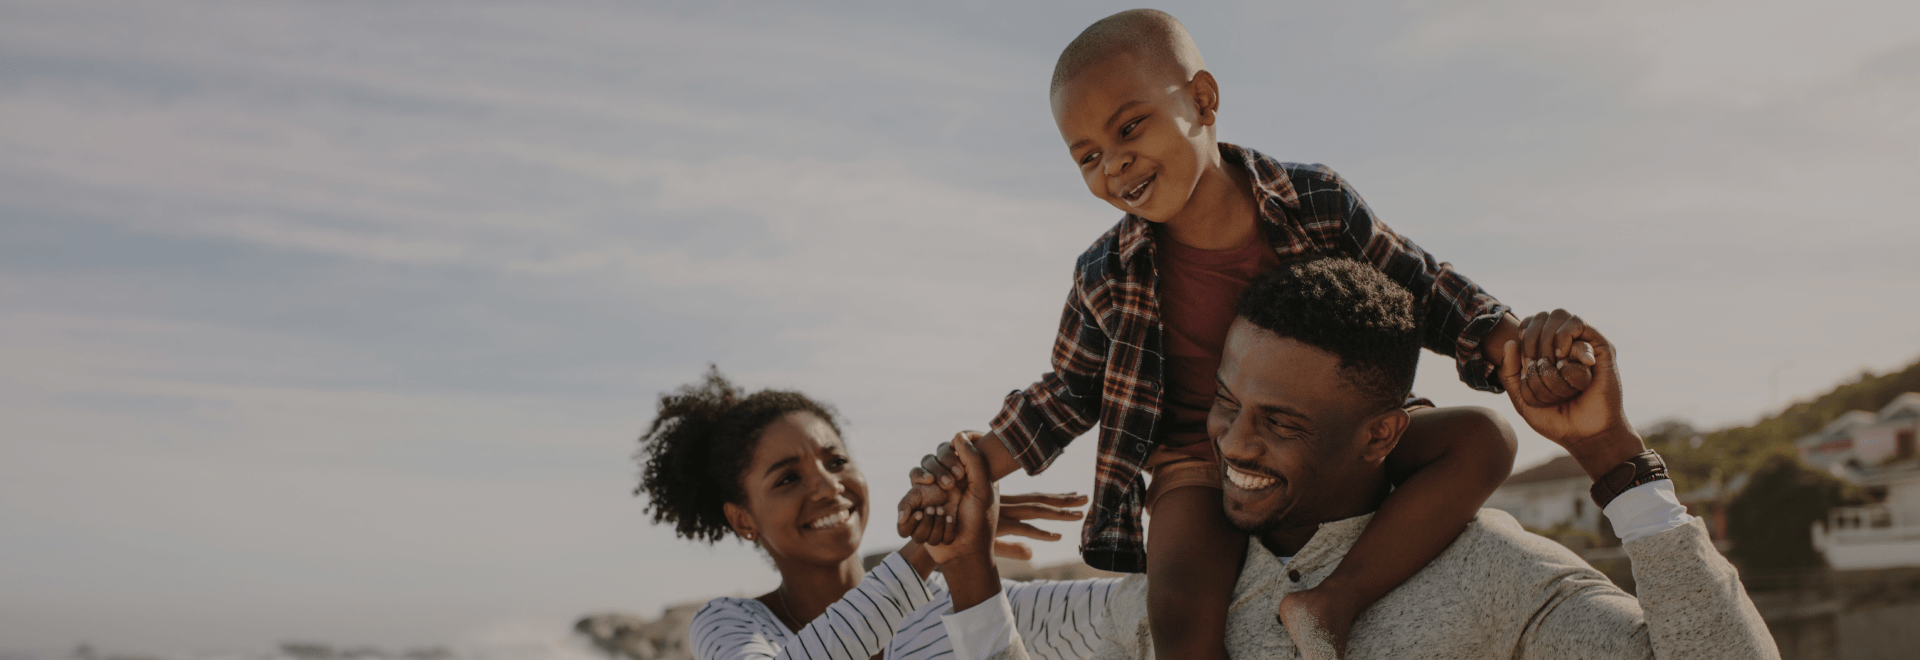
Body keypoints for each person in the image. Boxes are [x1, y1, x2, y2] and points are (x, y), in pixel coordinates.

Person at [902, 9, 1597, 659]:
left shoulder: (1314, 202)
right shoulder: (1106, 272)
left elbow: (1420, 285)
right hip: (1199, 463)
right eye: (1085, 156)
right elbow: (1068, 393)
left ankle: (1335, 598)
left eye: (1129, 128)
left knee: (1485, 440)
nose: (1112, 165)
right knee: (1178, 597)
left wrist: (1512, 346)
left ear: (1202, 100)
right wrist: (972, 463)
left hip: (1330, 439)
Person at [893, 258, 1778, 660]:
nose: (1235, 444)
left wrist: (1609, 452)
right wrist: (969, 570)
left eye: (1278, 422)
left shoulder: (1494, 573)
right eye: (1228, 405)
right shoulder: (1189, 589)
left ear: (1382, 434)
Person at [635, 368, 1095, 660]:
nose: (828, 485)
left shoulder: (952, 600)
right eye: (787, 479)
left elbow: (1138, 612)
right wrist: (927, 551)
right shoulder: (729, 624)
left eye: (837, 462)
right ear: (743, 520)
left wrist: (967, 556)